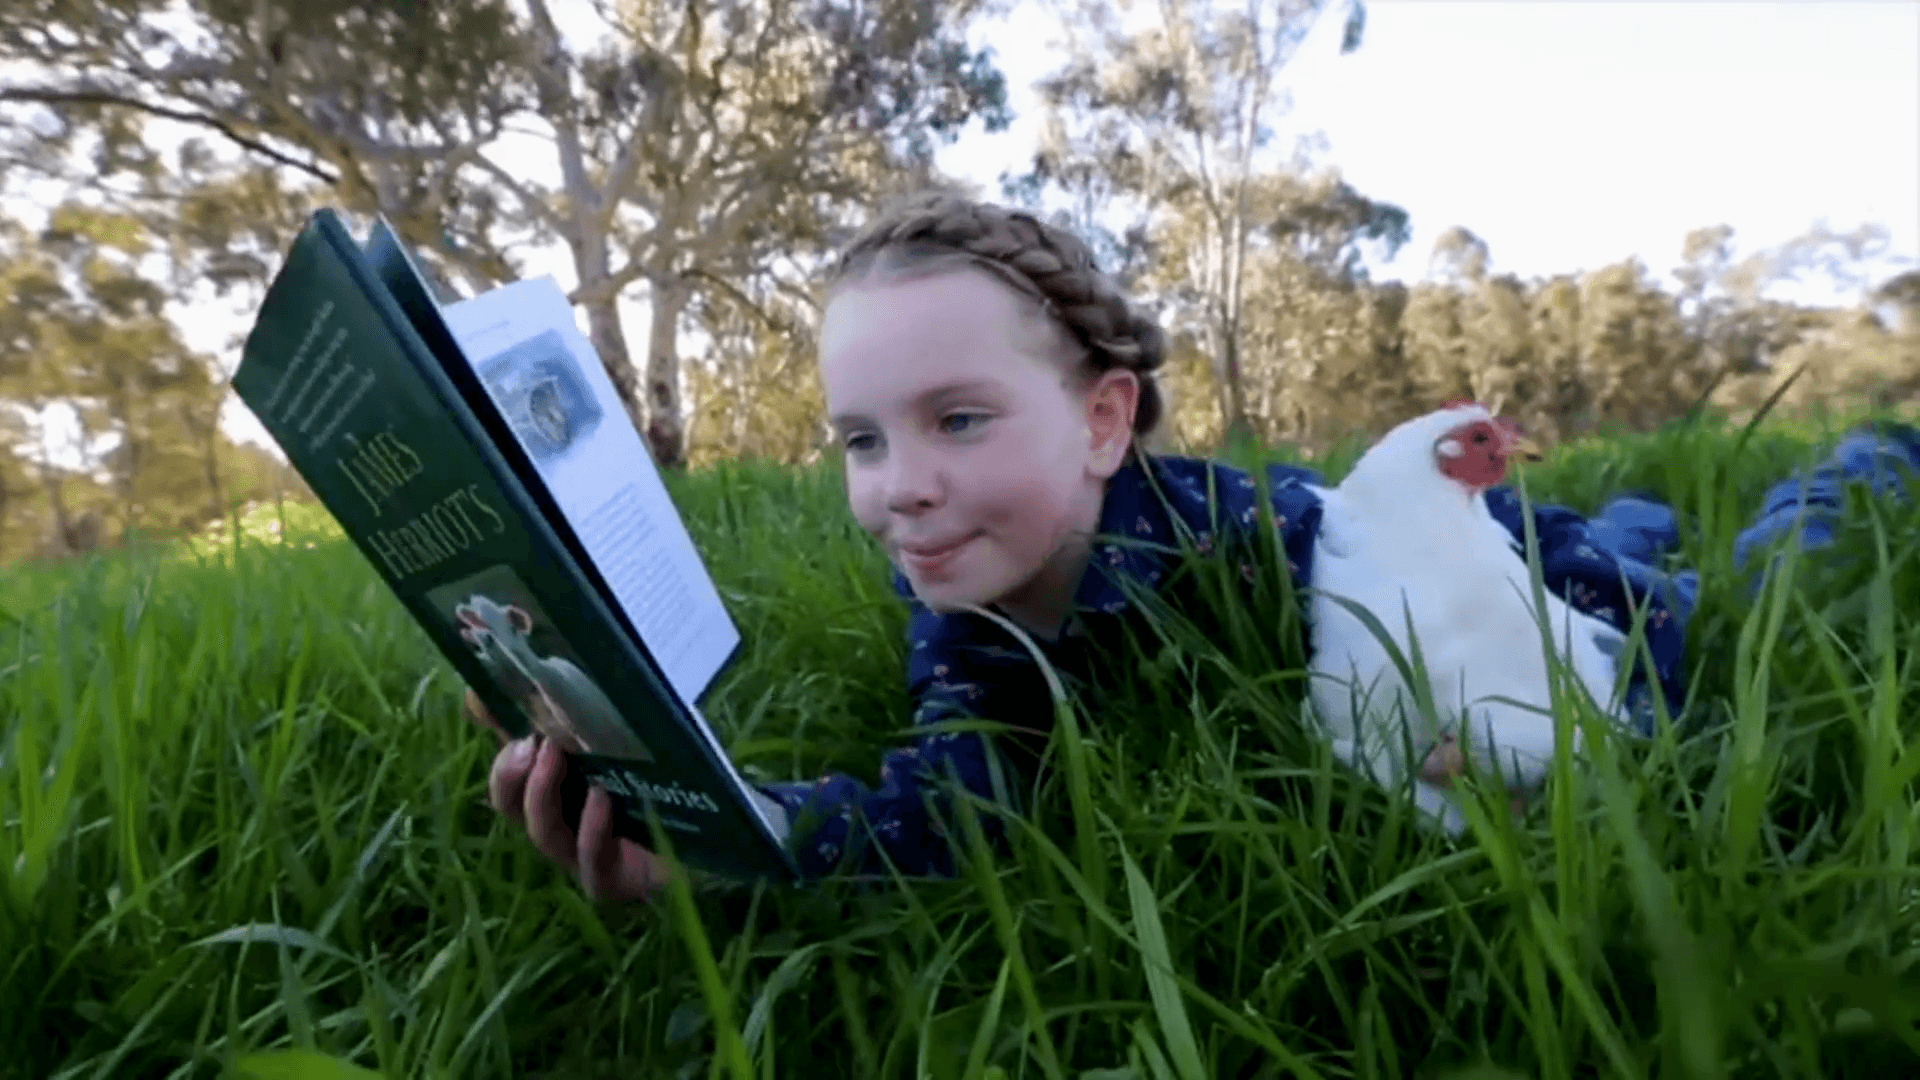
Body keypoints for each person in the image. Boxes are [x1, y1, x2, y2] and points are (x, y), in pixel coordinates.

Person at [460, 189, 1917, 903]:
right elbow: (961, 804)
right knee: (1626, 529)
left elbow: (1584, 656)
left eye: (959, 421)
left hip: (1499, 563)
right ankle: (1645, 508)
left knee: (1704, 579)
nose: (899, 488)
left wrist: (1613, 752)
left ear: (1104, 422)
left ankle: (1857, 460)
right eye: (862, 439)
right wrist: (734, 848)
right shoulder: (974, 621)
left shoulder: (1256, 550)